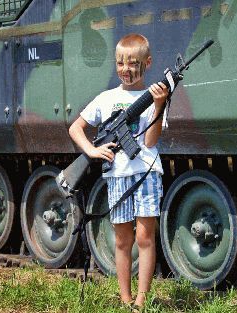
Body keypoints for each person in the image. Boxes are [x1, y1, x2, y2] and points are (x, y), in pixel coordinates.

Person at [68, 33, 168, 308]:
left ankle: (141, 300)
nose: (126, 69)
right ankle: (124, 299)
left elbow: (150, 141)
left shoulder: (153, 98)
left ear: (147, 63)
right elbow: (75, 128)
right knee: (123, 240)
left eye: (133, 63)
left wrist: (159, 105)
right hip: (118, 176)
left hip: (146, 173)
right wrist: (91, 150)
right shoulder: (106, 98)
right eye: (121, 63)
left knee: (146, 237)